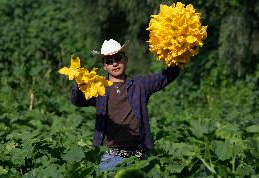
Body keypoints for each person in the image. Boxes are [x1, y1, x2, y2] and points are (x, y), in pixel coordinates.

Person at [71, 39, 181, 171]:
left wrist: (178, 51)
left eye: (118, 58)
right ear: (104, 66)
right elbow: (77, 100)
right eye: (109, 61)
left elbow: (168, 75)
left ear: (125, 60)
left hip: (138, 158)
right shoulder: (97, 87)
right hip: (109, 158)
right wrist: (79, 83)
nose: (115, 63)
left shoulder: (140, 85)